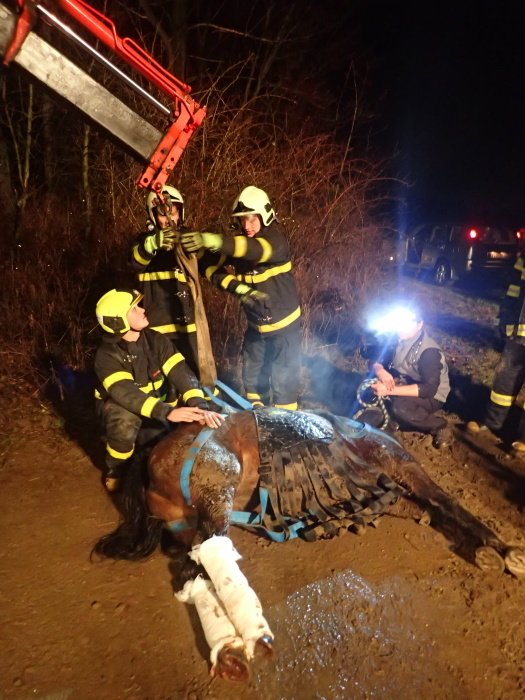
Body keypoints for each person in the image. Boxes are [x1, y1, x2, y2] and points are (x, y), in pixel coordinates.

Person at [181, 186, 302, 410]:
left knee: (284, 382)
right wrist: (238, 288)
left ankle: (288, 431)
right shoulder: (240, 244)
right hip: (256, 329)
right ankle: (261, 419)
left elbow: (251, 250)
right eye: (242, 220)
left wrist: (210, 240)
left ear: (264, 216)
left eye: (252, 219)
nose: (246, 226)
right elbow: (210, 268)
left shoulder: (275, 241)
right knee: (253, 381)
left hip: (285, 330)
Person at [94, 288, 224, 492]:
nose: (142, 310)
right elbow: (125, 393)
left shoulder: (155, 339)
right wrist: (168, 412)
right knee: (123, 423)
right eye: (134, 309)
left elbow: (181, 372)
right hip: (130, 408)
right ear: (117, 321)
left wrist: (199, 406)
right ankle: (116, 468)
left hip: (160, 407)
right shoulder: (107, 356)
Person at [130, 186, 200, 375]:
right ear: (153, 216)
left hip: (187, 323)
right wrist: (152, 244)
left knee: (192, 372)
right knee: (163, 376)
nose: (169, 218)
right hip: (157, 325)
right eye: (162, 214)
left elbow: (209, 265)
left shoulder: (188, 238)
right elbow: (136, 262)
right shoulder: (143, 241)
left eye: (173, 211)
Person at [368, 306, 452, 448]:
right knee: (370, 383)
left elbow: (428, 389)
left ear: (420, 324)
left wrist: (388, 390)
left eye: (407, 324)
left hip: (432, 395)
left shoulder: (429, 352)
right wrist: (380, 370)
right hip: (404, 382)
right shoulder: (396, 339)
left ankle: (439, 426)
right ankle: (392, 420)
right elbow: (375, 359)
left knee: (401, 408)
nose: (401, 328)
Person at [466, 253, 525, 451]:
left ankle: (523, 441)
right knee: (504, 382)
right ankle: (491, 425)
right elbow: (514, 289)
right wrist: (505, 318)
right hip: (519, 334)